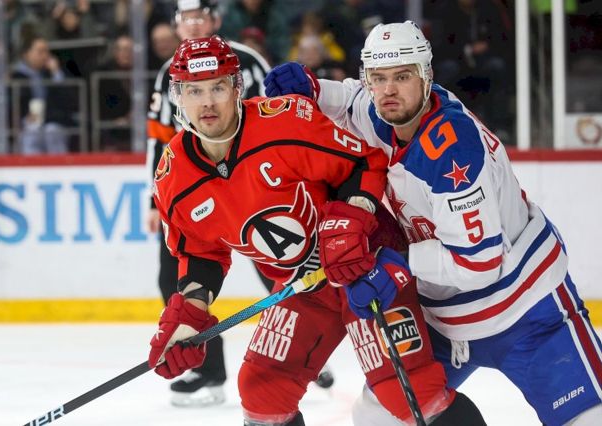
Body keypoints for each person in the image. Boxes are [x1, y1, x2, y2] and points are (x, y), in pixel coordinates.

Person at [264, 20, 602, 426]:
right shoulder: (383, 110)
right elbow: (350, 100)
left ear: (427, 76)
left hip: (526, 312)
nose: (389, 90)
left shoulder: (451, 150)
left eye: (402, 76)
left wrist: (393, 261)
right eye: (378, 78)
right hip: (442, 321)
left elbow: (480, 264)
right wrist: (313, 88)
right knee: (379, 415)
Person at [147, 34, 486, 426]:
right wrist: (189, 315)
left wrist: (351, 222)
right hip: (303, 286)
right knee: (262, 390)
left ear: (237, 88)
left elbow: (362, 163)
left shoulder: (284, 121)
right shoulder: (173, 177)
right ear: (178, 97)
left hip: (364, 264)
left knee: (407, 389)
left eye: (218, 87)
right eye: (195, 91)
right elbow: (200, 253)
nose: (207, 102)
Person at [144, 0, 275, 407]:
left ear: (215, 19)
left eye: (200, 16)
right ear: (176, 25)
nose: (194, 24)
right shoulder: (169, 73)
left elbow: (276, 118)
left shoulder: (247, 61)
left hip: (254, 187)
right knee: (178, 278)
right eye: (186, 19)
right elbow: (158, 137)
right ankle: (208, 369)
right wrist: (154, 199)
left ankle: (300, 342)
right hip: (194, 191)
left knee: (276, 266)